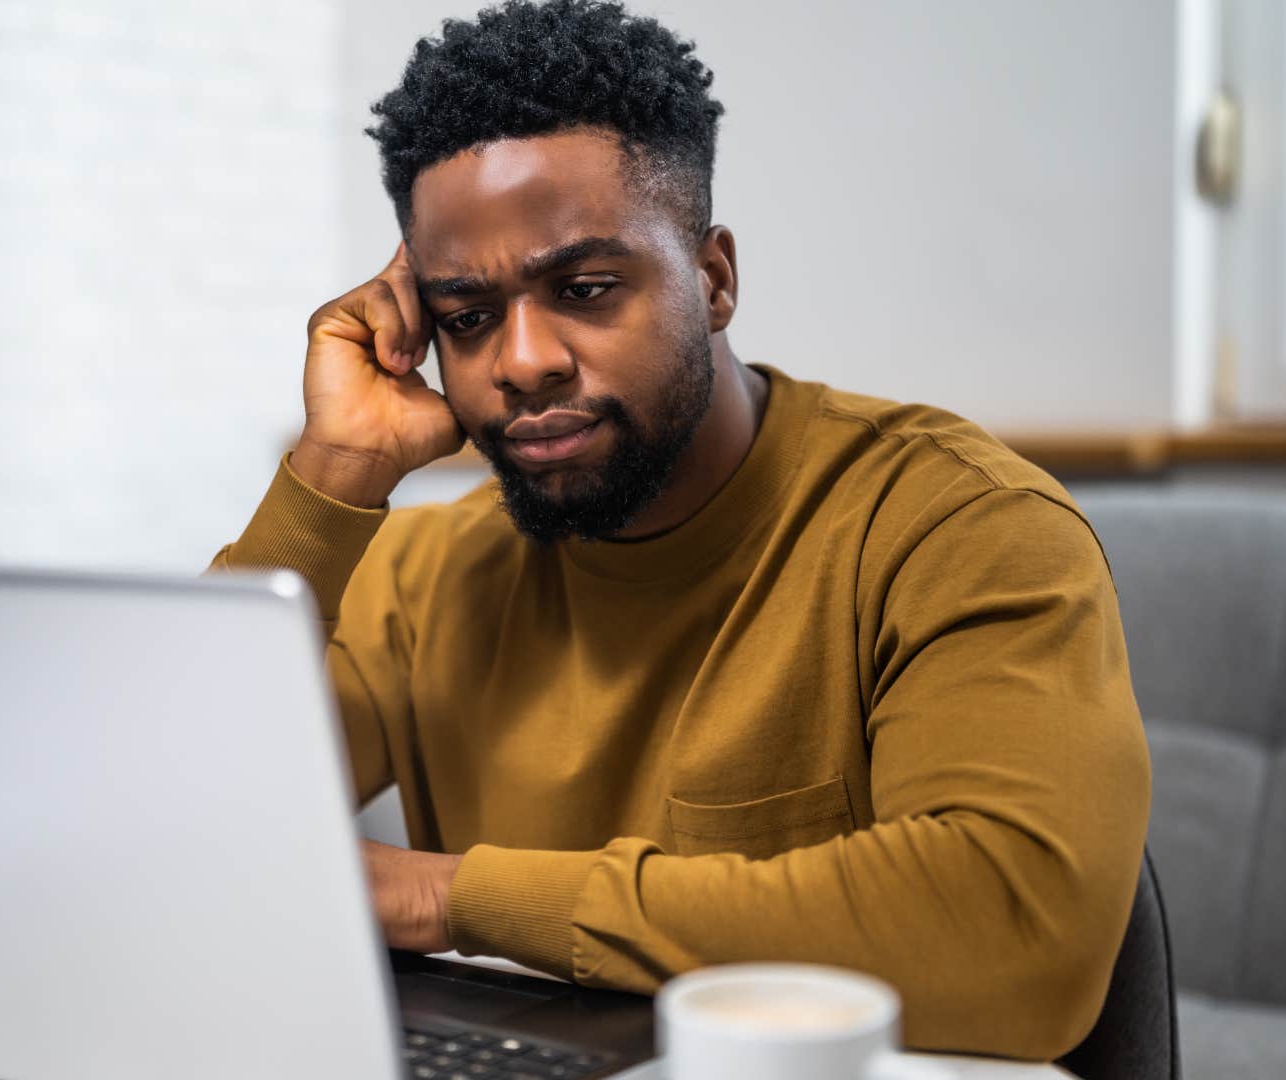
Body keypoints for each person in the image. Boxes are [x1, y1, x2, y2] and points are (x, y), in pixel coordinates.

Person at [209, 0, 1149, 1060]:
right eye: (466, 315)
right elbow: (153, 815)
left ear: (713, 279)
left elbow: (1015, 936)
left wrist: (447, 898)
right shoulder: (427, 574)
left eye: (587, 288)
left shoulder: (956, 527)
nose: (522, 361)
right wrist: (337, 468)